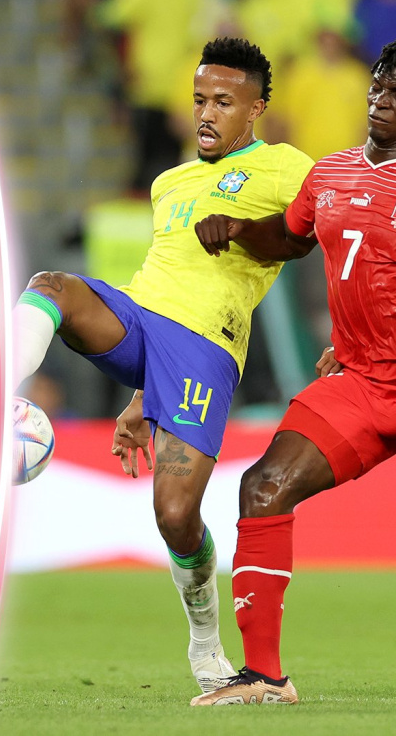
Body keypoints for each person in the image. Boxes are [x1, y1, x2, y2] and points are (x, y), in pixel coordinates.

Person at [12, 37, 313, 694]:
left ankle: (205, 642)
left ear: (256, 109)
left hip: (206, 346)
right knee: (53, 286)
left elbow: (311, 233)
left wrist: (247, 230)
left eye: (224, 102)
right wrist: (139, 394)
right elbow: (164, 277)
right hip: (141, 320)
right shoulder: (169, 182)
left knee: (176, 515)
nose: (206, 113)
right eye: (200, 99)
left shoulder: (286, 167)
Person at [189, 40, 396, 706]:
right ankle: (264, 678)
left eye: (395, 94)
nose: (381, 101)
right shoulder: (332, 172)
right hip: (362, 382)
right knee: (263, 487)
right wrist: (239, 228)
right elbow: (291, 237)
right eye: (378, 87)